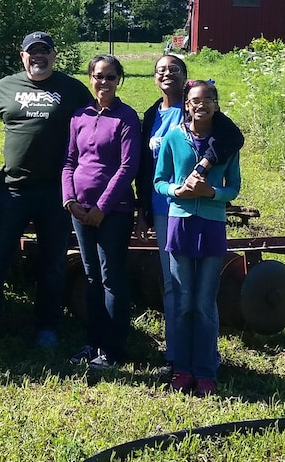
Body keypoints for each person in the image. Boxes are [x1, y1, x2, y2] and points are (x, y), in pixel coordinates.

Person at [0, 31, 93, 347]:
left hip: (57, 192)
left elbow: (96, 124)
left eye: (44, 52)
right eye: (31, 52)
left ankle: (47, 326)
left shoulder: (72, 89)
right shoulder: (6, 87)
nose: (38, 57)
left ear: (54, 55)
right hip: (12, 190)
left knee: (52, 262)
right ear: (22, 56)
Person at [135, 54, 245, 376]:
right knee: (176, 289)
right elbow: (150, 171)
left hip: (206, 218)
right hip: (169, 212)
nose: (167, 74)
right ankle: (178, 358)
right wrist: (150, 203)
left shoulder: (219, 127)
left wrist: (209, 185)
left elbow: (233, 154)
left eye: (174, 69)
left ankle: (203, 360)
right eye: (161, 70)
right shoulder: (152, 117)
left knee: (201, 297)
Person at [154, 80, 242, 397]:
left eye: (208, 99)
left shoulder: (225, 144)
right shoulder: (174, 138)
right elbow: (159, 181)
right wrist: (176, 191)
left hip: (212, 225)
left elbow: (233, 188)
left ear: (216, 104)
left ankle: (206, 371)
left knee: (205, 304)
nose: (201, 105)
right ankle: (182, 368)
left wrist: (212, 193)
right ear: (186, 105)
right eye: (194, 100)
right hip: (180, 224)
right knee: (182, 302)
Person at [62, 54, 141, 369]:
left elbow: (127, 167)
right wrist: (69, 198)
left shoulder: (126, 117)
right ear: (90, 78)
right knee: (92, 276)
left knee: (111, 277)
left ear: (118, 79)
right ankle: (90, 343)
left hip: (114, 211)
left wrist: (102, 208)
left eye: (110, 77)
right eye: (98, 76)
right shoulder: (79, 115)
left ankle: (112, 349)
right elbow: (69, 160)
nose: (103, 82)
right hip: (79, 210)